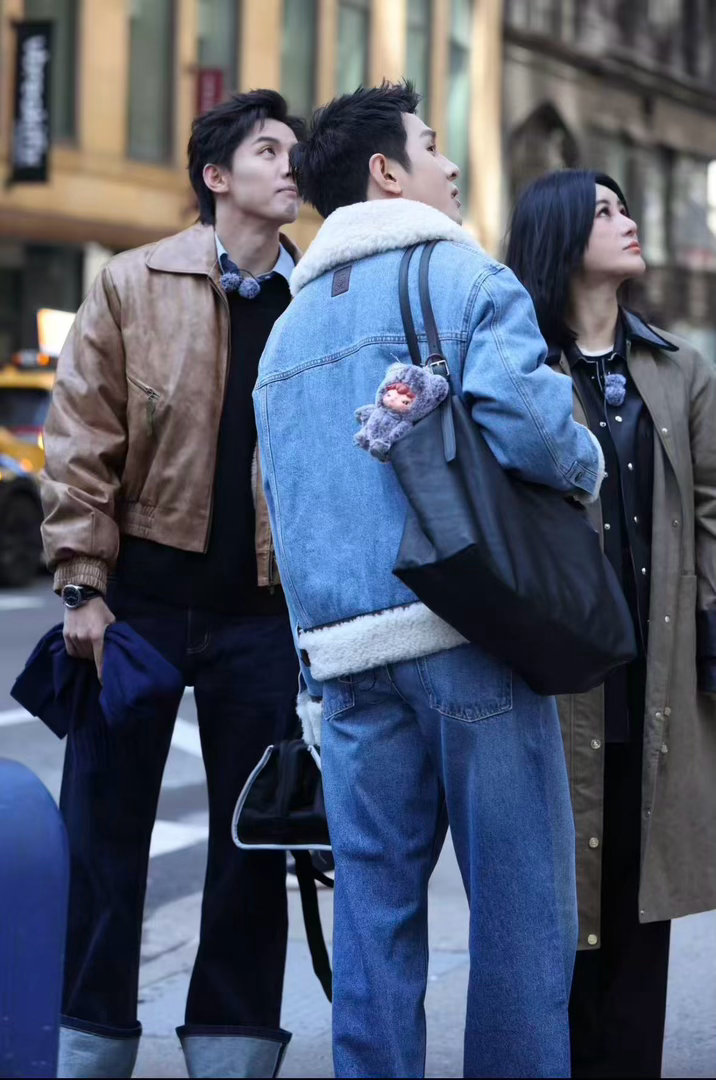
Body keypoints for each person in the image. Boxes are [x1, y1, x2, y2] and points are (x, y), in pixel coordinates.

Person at [254, 82, 606, 1079]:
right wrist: (587, 462)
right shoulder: (459, 274)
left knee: (373, 918)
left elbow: (283, 513)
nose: (449, 166)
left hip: (346, 664)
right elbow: (536, 433)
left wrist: (314, 676)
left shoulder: (285, 333)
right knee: (520, 914)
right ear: (386, 172)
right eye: (432, 145)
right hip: (466, 632)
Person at [40, 90, 305, 1080]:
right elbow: (80, 440)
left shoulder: (319, 299)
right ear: (215, 176)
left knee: (252, 851)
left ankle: (233, 1053)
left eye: (294, 150)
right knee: (101, 840)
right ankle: (86, 1043)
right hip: (137, 610)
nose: (290, 165)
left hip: (264, 617)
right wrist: (83, 587)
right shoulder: (132, 282)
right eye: (268, 150)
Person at [505, 168, 716, 1078]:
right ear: (559, 237)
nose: (627, 221)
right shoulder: (514, 368)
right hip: (555, 681)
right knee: (557, 905)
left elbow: (711, 509)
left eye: (626, 206)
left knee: (639, 893)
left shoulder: (678, 369)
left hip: (656, 671)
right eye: (604, 211)